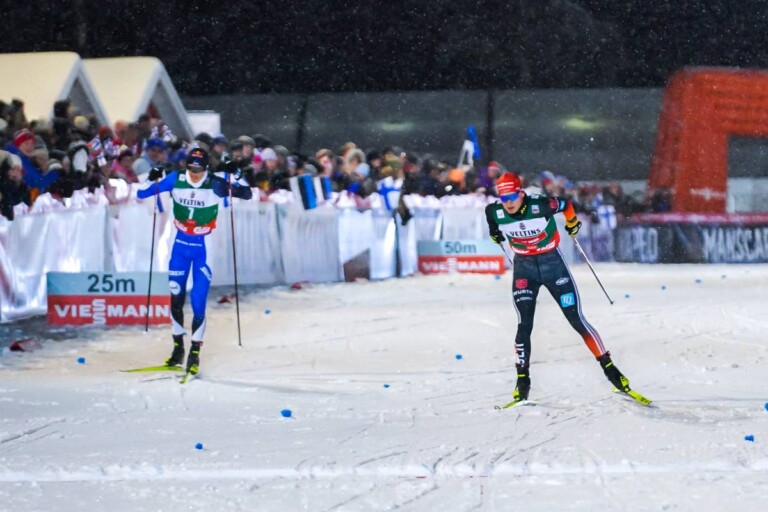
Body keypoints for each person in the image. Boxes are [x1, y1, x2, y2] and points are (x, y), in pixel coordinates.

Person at [485, 172, 634, 403]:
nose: (509, 203)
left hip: (552, 265)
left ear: (521, 193)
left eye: (512, 196)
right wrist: (494, 234)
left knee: (576, 319)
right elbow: (492, 224)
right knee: (524, 324)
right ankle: (522, 382)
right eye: (504, 198)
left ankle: (611, 370)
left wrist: (572, 223)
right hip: (524, 269)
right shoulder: (494, 211)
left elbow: (566, 205)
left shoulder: (541, 206)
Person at [136, 147, 253, 375]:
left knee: (198, 302)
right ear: (186, 166)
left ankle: (195, 352)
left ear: (206, 168)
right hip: (179, 245)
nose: (195, 174)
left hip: (204, 248)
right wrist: (151, 177)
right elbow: (142, 194)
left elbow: (247, 194)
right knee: (175, 296)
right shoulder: (175, 179)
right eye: (191, 169)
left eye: (199, 170)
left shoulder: (215, 183)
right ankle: (178, 348)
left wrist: (237, 173)